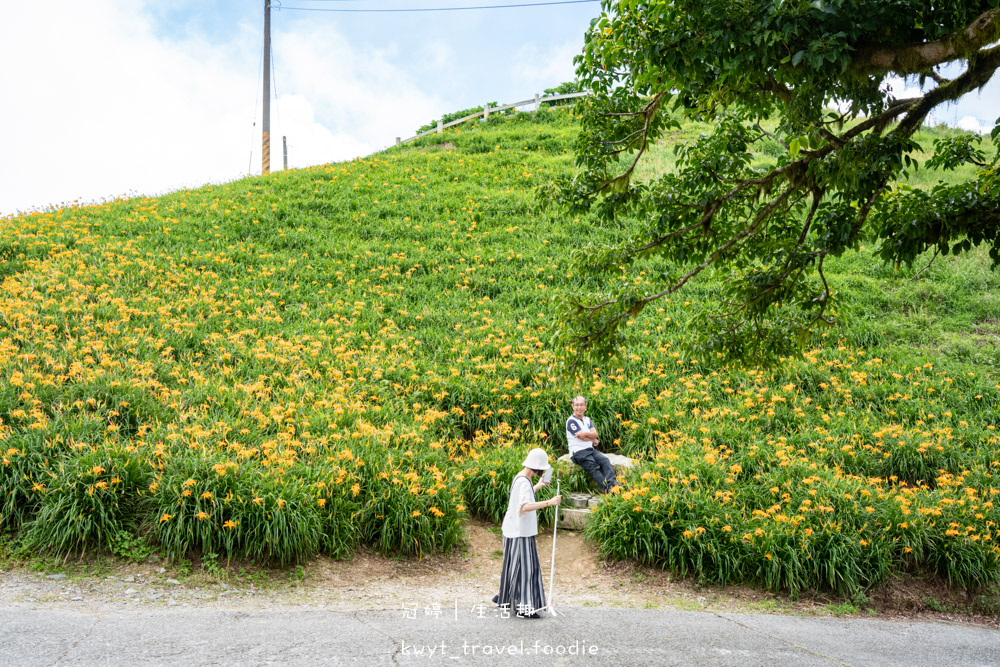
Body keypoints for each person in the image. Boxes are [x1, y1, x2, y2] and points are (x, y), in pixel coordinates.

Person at [492, 447, 561, 618]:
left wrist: (538, 486)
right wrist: (549, 502)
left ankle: (503, 598)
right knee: (526, 569)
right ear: (536, 468)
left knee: (513, 566)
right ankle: (525, 607)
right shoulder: (524, 482)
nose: (542, 472)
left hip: (513, 529)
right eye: (541, 470)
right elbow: (525, 506)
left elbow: (524, 497)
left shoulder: (522, 477)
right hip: (520, 532)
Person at [566, 396, 619, 493]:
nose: (579, 408)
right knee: (594, 467)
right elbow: (582, 438)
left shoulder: (587, 419)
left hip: (590, 450)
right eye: (577, 405)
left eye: (582, 405)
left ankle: (614, 485)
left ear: (585, 406)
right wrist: (592, 437)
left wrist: (586, 434)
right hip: (578, 452)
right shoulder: (571, 421)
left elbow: (595, 434)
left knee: (605, 460)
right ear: (572, 406)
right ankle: (608, 490)